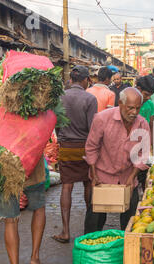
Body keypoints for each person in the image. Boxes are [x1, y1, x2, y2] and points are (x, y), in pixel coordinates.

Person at [84, 88, 150, 232]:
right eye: (130, 108)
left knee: (130, 222)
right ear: (120, 103)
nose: (134, 112)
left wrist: (133, 176)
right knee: (95, 221)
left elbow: (143, 154)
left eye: (138, 108)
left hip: (128, 177)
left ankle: (126, 250)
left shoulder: (142, 124)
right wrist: (94, 174)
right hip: (102, 176)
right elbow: (91, 147)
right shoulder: (102, 118)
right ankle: (91, 250)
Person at [53, 66, 97, 243]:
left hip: (66, 146)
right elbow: (92, 127)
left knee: (67, 186)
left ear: (71, 79)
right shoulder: (90, 98)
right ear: (86, 80)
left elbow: (56, 124)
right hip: (85, 147)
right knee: (88, 183)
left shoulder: (59, 97)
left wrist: (62, 137)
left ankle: (65, 231)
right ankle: (89, 228)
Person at [0, 158, 47, 264]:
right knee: (39, 209)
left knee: (10, 220)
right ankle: (34, 258)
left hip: (6, 168)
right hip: (33, 164)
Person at [135, 75, 154, 191]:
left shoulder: (150, 104)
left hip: (144, 142)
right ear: (138, 89)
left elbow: (151, 124)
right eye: (146, 94)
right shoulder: (130, 102)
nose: (148, 98)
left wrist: (151, 144)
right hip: (131, 142)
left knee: (144, 171)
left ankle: (143, 193)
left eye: (150, 95)